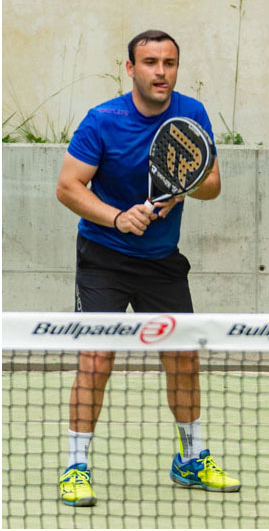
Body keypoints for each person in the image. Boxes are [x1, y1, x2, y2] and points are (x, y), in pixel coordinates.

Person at [55, 29, 240, 506]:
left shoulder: (191, 113)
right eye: (151, 62)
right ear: (130, 68)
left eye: (169, 63)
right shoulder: (103, 120)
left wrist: (182, 188)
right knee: (97, 359)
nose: (161, 72)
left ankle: (191, 459)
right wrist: (118, 217)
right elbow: (68, 187)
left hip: (161, 261)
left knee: (184, 358)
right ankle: (76, 466)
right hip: (103, 259)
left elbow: (212, 183)